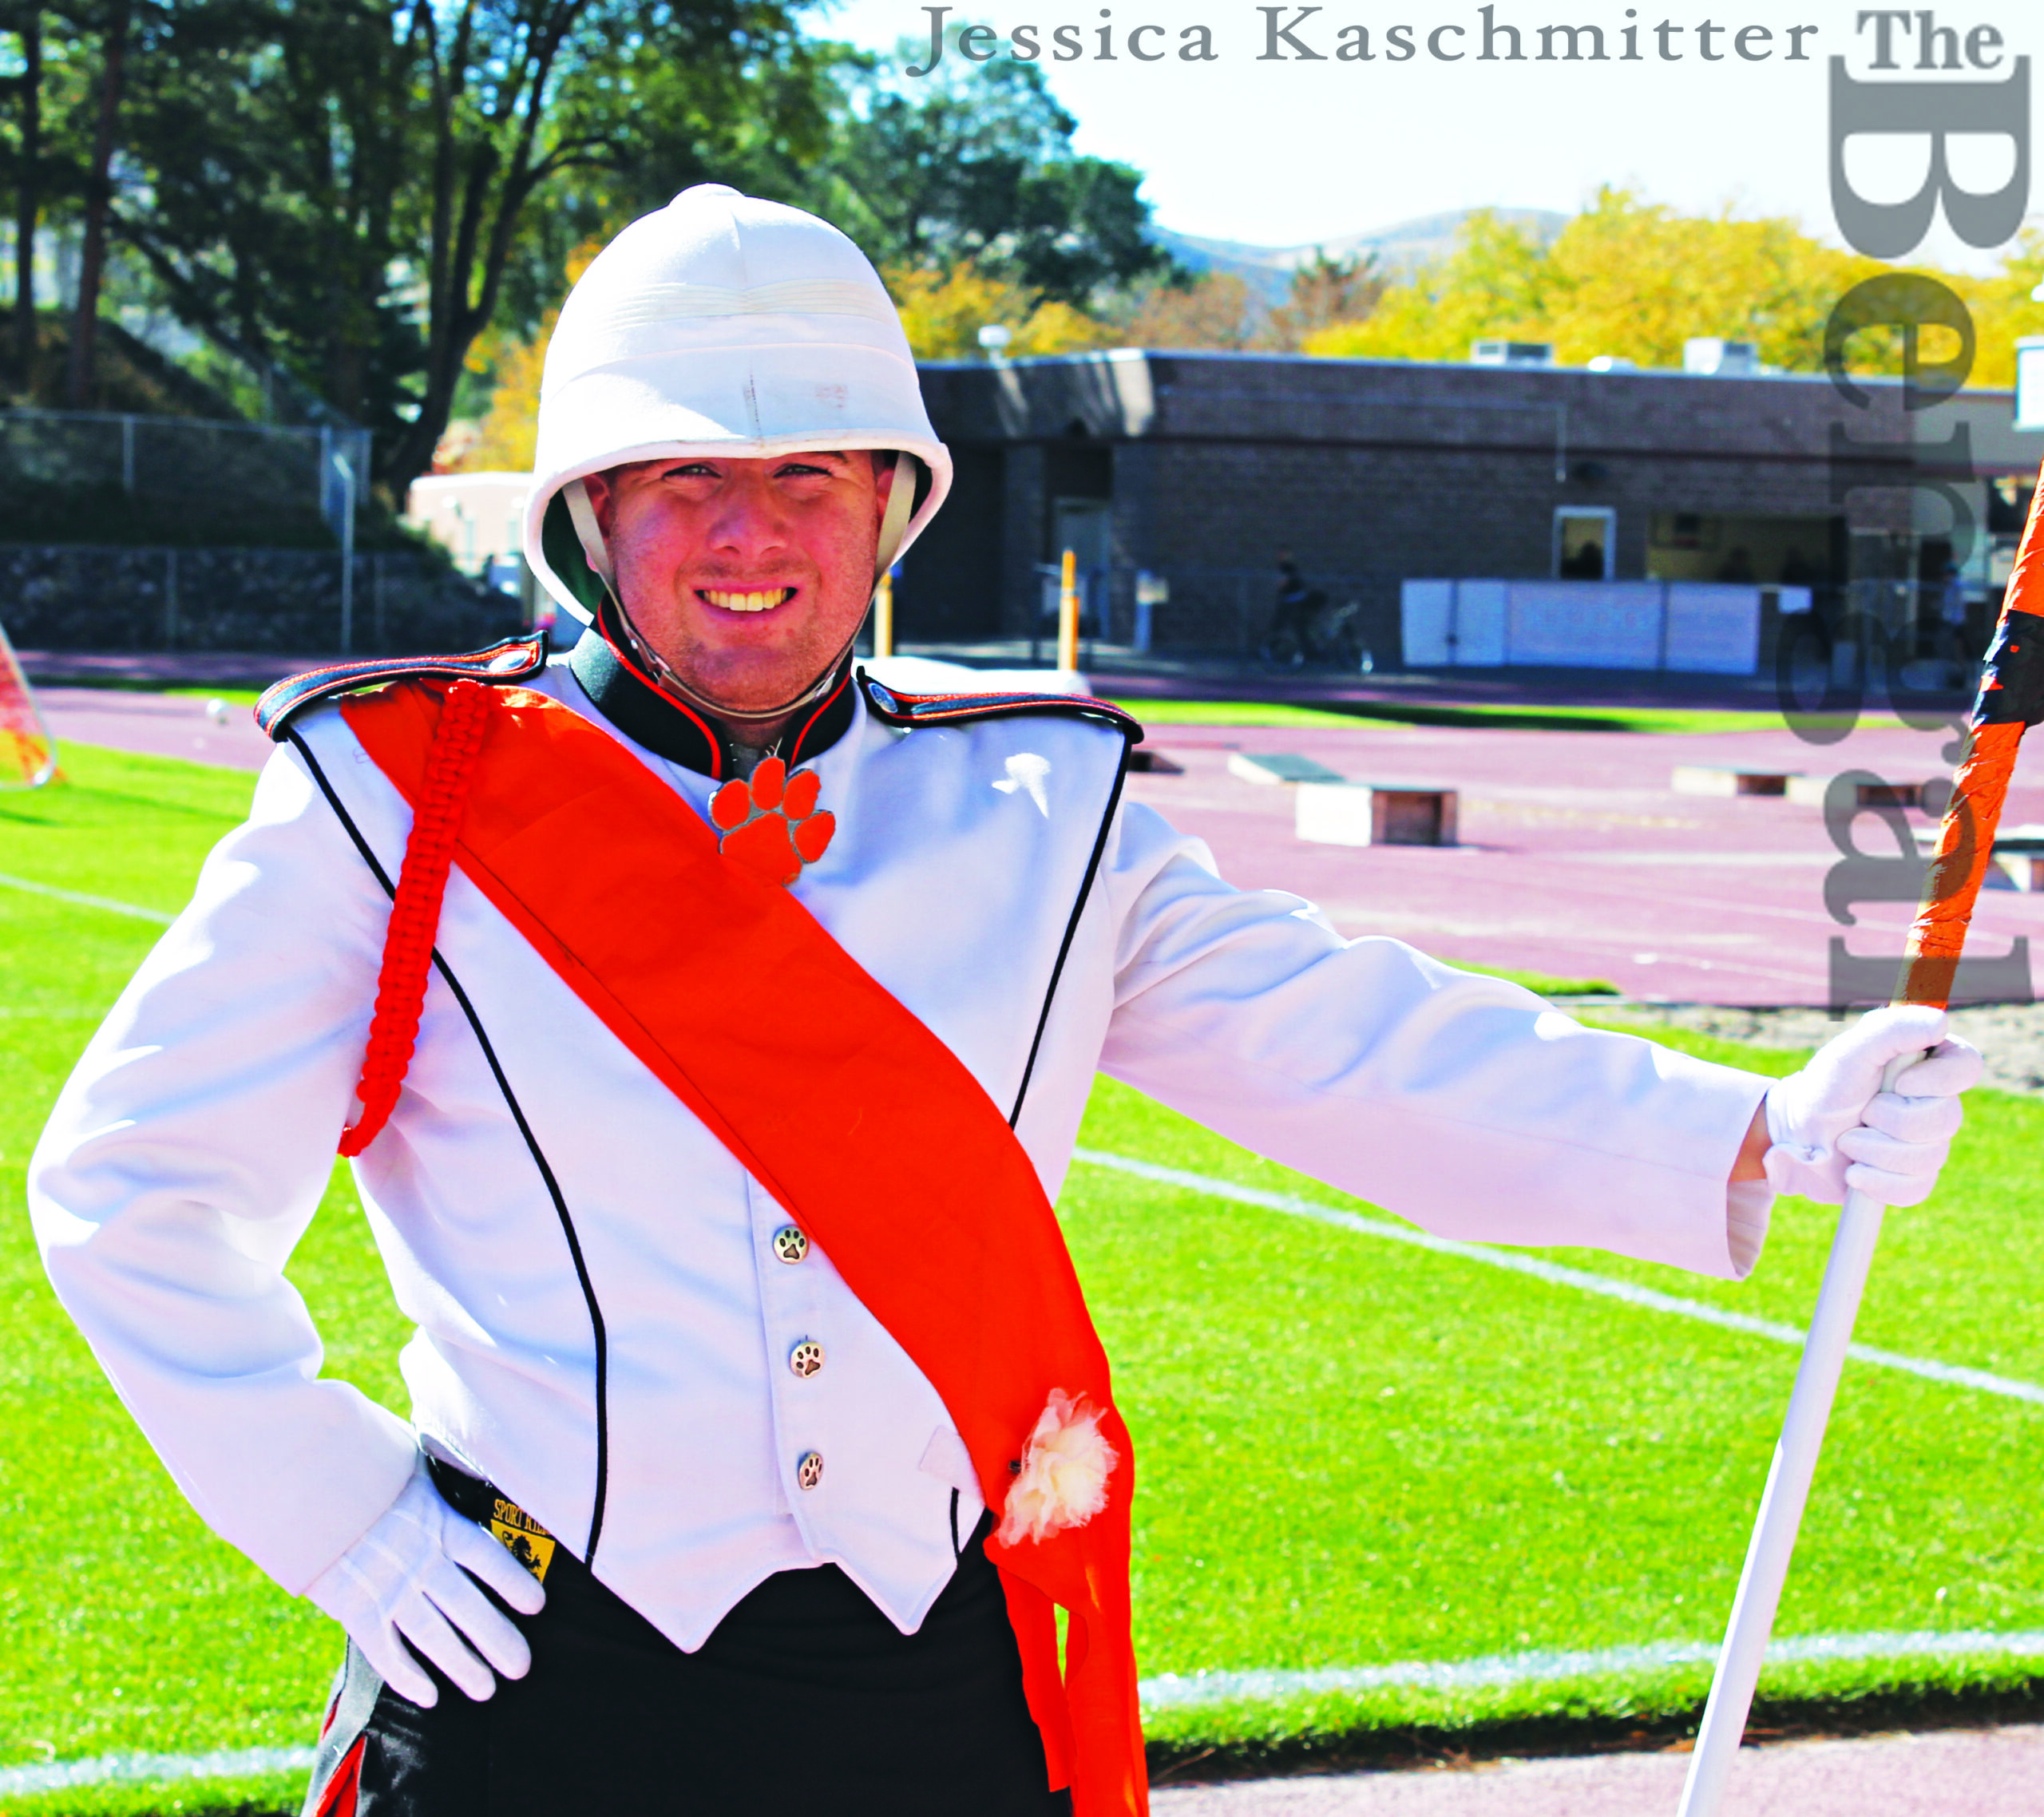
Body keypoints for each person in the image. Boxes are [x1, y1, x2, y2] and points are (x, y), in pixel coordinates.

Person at [29, 188, 1980, 1817]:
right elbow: (129, 1187)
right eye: (683, 476)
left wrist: (1749, 1126)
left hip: (934, 1686)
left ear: (893, 505)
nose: (747, 532)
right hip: (537, 1675)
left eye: (808, 473)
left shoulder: (1041, 806)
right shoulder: (396, 802)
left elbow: (1343, 1043)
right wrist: (336, 1510)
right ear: (588, 516)